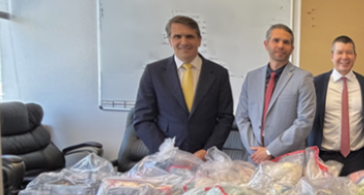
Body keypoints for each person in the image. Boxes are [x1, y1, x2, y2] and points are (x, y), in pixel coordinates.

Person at [133, 15, 234, 160]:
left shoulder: (218, 74)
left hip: (206, 160)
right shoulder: (153, 72)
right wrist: (166, 152)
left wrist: (207, 151)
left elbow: (225, 118)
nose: (184, 42)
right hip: (165, 161)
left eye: (189, 36)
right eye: (177, 36)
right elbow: (142, 119)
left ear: (199, 40)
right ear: (170, 41)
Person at [236, 24, 316, 164]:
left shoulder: (303, 78)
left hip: (288, 162)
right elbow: (242, 117)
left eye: (286, 42)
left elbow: (304, 121)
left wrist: (270, 151)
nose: (281, 45)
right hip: (254, 160)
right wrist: (256, 152)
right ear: (266, 44)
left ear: (292, 48)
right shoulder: (251, 78)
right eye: (276, 40)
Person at [308, 36, 364, 176]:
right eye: (339, 52)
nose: (344, 57)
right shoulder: (316, 84)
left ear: (355, 56)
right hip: (324, 157)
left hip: (358, 158)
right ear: (332, 56)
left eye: (349, 52)